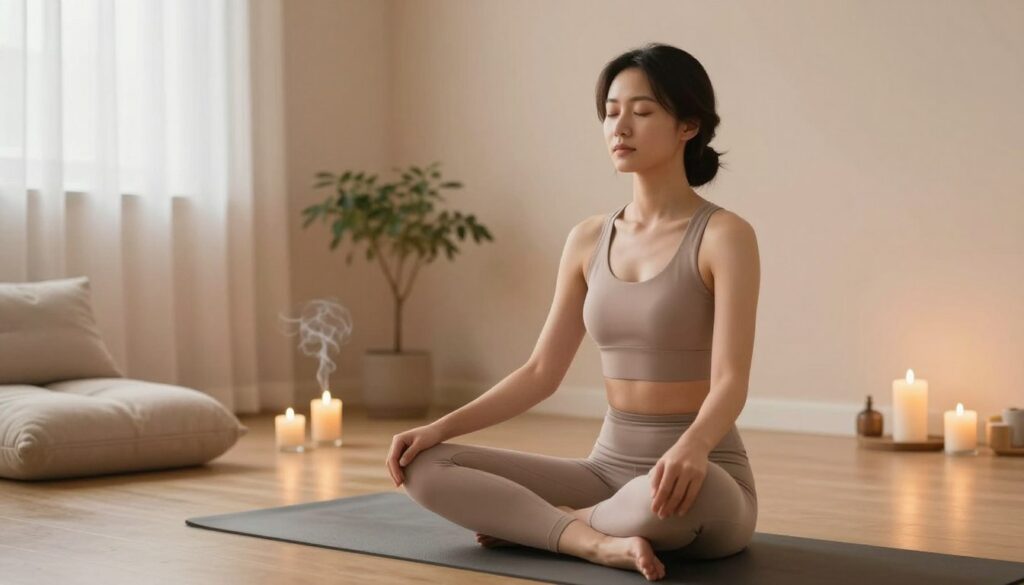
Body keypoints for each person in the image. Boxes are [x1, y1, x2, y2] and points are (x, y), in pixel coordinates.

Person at [385, 42, 760, 582]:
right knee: (423, 465)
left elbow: (730, 381)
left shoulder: (725, 236)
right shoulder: (587, 238)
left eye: (642, 111)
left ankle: (560, 524)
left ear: (688, 126)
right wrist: (439, 427)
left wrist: (692, 448)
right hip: (606, 471)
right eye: (610, 112)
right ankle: (594, 542)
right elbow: (541, 373)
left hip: (703, 474)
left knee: (680, 494)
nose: (620, 127)